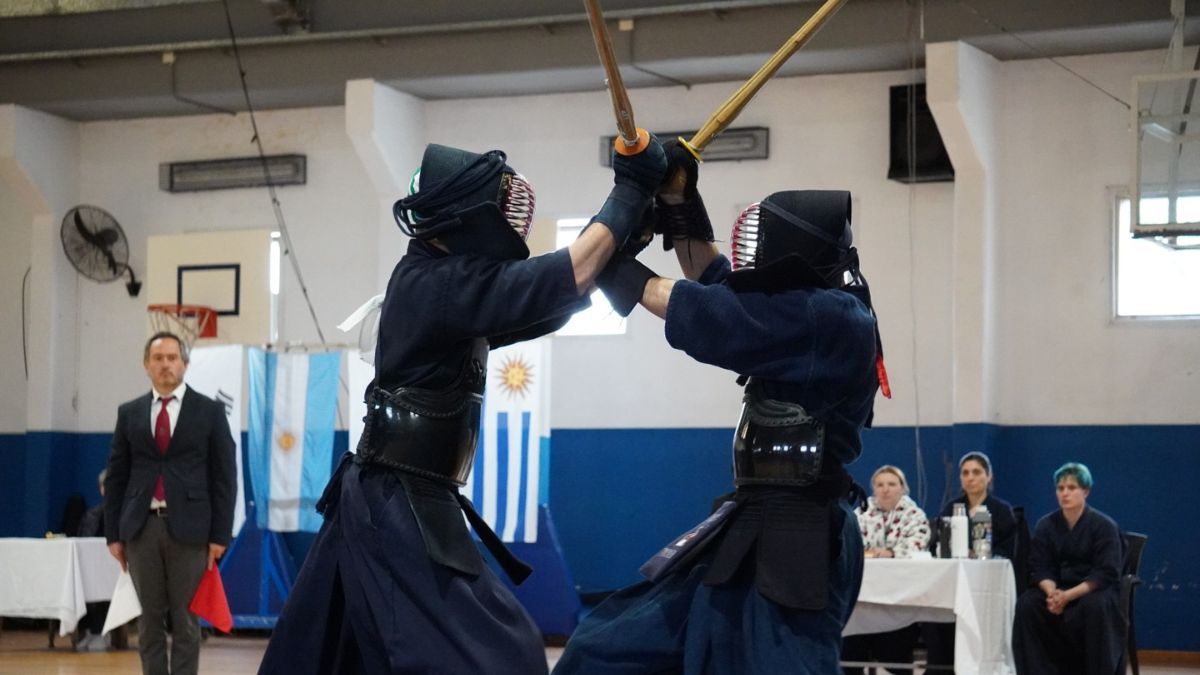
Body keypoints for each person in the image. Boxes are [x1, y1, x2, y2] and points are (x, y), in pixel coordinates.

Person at [258, 138, 667, 674]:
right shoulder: (436, 284)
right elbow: (557, 280)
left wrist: (624, 235)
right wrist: (629, 193)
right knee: (496, 655)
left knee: (332, 653)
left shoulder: (444, 282)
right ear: (463, 213)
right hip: (394, 500)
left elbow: (546, 304)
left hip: (402, 495)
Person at [555, 140, 885, 674]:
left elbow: (713, 313)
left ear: (801, 248)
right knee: (605, 649)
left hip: (800, 528)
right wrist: (680, 199)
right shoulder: (805, 310)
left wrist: (610, 261)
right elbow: (717, 285)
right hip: (753, 517)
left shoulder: (834, 317)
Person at [105, 332, 237, 675]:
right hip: (140, 528)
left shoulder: (209, 411)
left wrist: (220, 535)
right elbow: (116, 476)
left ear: (185, 364)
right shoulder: (129, 413)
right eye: (158, 358)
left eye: (172, 358)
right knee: (148, 621)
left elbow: (224, 476)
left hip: (191, 530)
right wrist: (113, 535)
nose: (165, 364)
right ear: (146, 365)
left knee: (186, 620)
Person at [1013, 462, 1124, 675]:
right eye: (1060, 488)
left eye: (1072, 488)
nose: (1065, 493)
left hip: (1091, 590)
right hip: (1057, 588)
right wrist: (1052, 593)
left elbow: (1105, 572)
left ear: (1086, 491)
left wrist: (1068, 596)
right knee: (1028, 604)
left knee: (1095, 606)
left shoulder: (1104, 526)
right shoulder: (1046, 525)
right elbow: (1039, 565)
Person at [923, 451, 1019, 672]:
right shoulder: (952, 508)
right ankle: (940, 668)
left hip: (988, 584)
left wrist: (978, 554)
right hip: (954, 583)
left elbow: (1008, 551)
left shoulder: (1001, 511)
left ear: (988, 476)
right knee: (933, 614)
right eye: (965, 473)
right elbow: (937, 544)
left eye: (976, 472)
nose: (970, 478)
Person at [841, 465, 929, 675]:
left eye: (891, 484)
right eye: (880, 485)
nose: (885, 489)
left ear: (902, 488)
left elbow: (918, 544)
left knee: (896, 652)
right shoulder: (861, 512)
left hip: (900, 600)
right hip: (863, 600)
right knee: (849, 652)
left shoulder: (915, 515)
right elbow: (850, 543)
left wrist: (891, 552)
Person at [76, 469, 112, 651]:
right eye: (106, 485)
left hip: (118, 569)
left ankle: (101, 631)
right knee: (81, 582)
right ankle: (90, 631)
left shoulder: (127, 514)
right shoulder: (92, 514)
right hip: (93, 567)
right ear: (101, 489)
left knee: (103, 583)